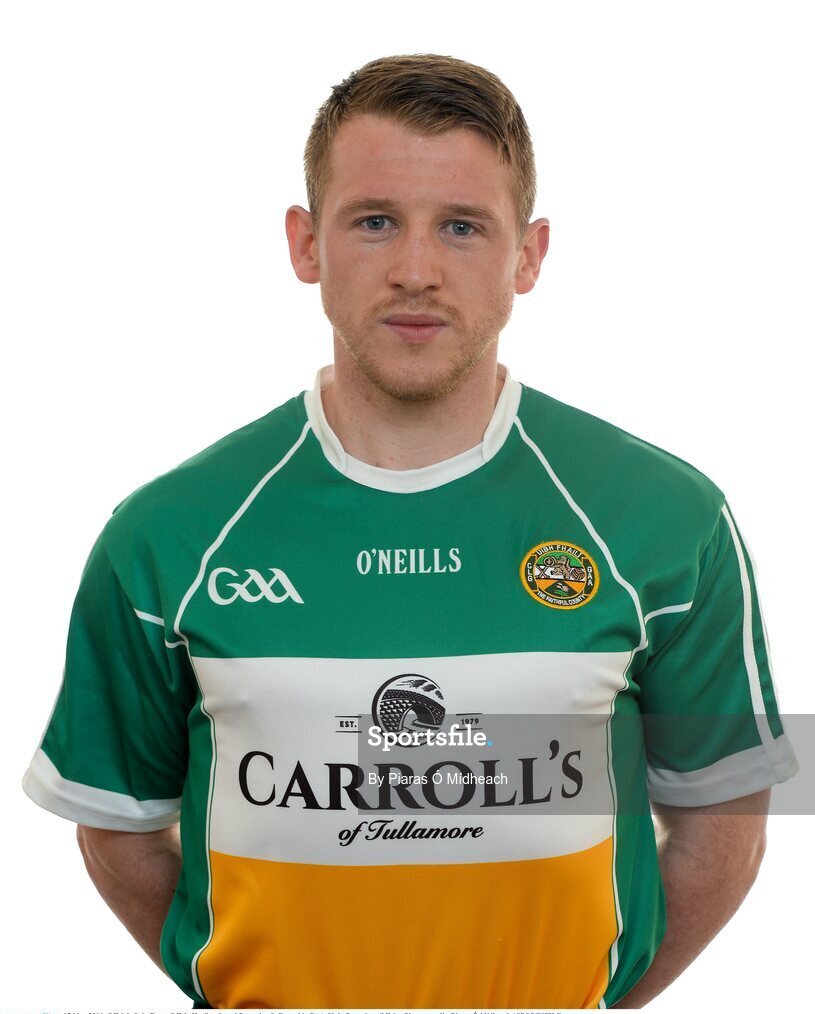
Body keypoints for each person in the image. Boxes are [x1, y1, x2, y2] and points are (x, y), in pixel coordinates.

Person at [22, 53, 798, 1010]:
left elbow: (724, 823)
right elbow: (118, 830)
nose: (416, 270)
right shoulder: (167, 537)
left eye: (463, 227)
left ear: (529, 255)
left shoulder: (666, 522)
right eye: (375, 221)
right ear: (307, 245)